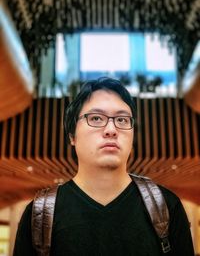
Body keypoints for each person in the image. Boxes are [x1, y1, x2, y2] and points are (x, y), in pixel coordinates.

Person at [13, 77, 194, 256]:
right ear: (72, 136)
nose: (111, 130)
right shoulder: (39, 217)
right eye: (96, 118)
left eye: (122, 120)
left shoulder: (166, 208)